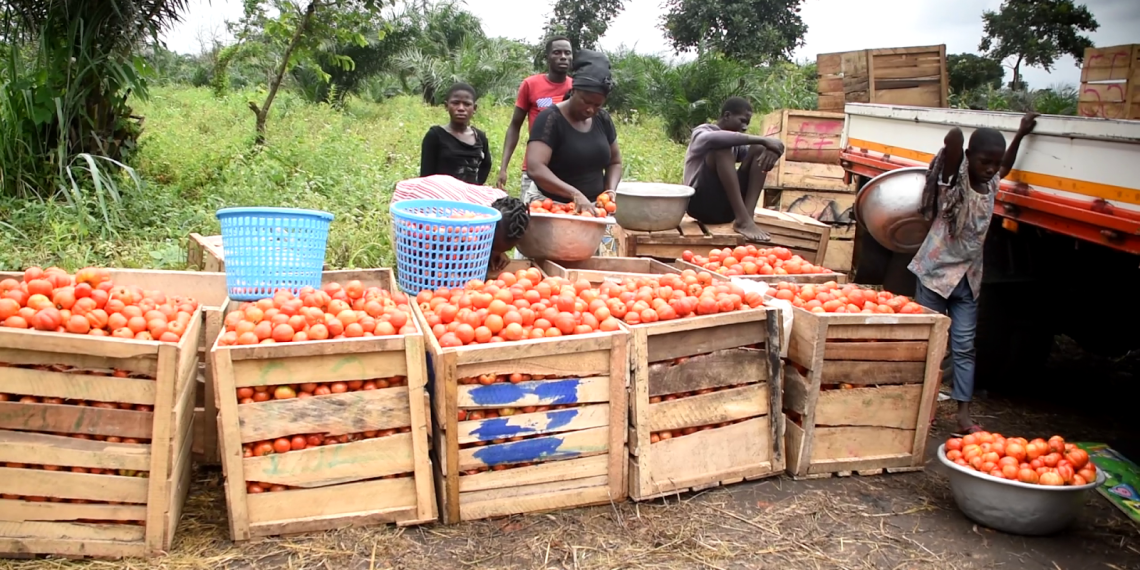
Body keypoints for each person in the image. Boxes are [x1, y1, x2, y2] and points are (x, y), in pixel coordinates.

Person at [910, 112, 1038, 435]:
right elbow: (953, 137)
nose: (992, 168)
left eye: (994, 163)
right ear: (969, 157)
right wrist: (959, 145)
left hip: (968, 280)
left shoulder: (992, 180)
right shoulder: (954, 181)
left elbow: (1006, 164)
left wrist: (1021, 133)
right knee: (931, 344)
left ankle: (963, 414)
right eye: (985, 161)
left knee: (965, 346)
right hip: (936, 275)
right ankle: (921, 408)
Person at [525, 49, 622, 212]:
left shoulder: (603, 119)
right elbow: (535, 167)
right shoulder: (550, 119)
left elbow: (615, 162)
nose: (591, 110)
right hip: (552, 207)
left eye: (598, 105)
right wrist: (575, 194)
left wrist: (610, 190)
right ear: (574, 90)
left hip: (593, 208)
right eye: (586, 101)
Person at [683, 97, 786, 242]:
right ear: (727, 116)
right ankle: (743, 220)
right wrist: (763, 139)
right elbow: (715, 139)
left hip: (727, 210)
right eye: (742, 121)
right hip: (700, 205)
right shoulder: (702, 132)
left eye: (747, 124)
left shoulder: (736, 145)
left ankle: (747, 218)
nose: (744, 127)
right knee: (721, 149)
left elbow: (756, 151)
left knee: (760, 148)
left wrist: (773, 149)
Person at [392, 175, 529, 275]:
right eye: (492, 246)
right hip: (417, 196)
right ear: (486, 229)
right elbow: (441, 252)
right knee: (421, 261)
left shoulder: (505, 206)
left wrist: (496, 252)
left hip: (448, 188)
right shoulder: (458, 223)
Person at [495, 36, 573, 193]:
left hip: (567, 170)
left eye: (567, 53)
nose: (563, 57)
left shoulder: (576, 87)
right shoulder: (531, 85)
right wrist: (503, 167)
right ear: (547, 57)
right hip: (535, 168)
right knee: (532, 214)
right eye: (557, 52)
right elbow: (515, 126)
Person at [420, 83, 491, 185]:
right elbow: (426, 175)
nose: (461, 108)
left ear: (474, 108)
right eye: (455, 103)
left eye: (467, 104)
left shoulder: (480, 137)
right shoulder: (435, 136)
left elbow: (486, 166)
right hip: (441, 196)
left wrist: (474, 188)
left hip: (469, 198)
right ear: (446, 106)